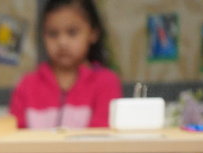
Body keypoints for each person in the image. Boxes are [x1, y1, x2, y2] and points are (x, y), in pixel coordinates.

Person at [8, 0, 122, 129]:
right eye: (53, 34)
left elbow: (102, 138)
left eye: (72, 32)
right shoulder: (27, 84)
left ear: (93, 33)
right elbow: (13, 134)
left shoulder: (106, 82)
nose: (62, 42)